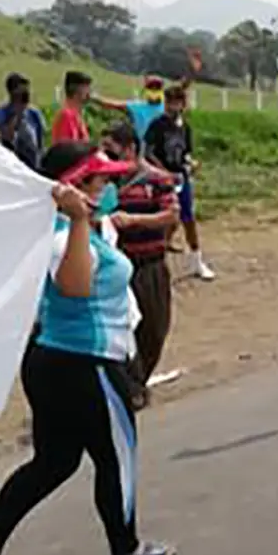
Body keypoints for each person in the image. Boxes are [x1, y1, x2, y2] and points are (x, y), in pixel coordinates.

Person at [0, 142, 175, 555]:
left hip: (57, 362)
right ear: (76, 188)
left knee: (55, 462)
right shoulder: (64, 236)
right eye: (103, 180)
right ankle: (126, 546)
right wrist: (79, 218)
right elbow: (75, 288)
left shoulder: (81, 230)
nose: (113, 186)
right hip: (85, 365)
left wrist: (94, 219)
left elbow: (110, 236)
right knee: (115, 457)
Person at [102, 121, 180, 406]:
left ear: (131, 149)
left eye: (113, 153)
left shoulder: (157, 180)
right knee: (122, 329)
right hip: (117, 266)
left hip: (149, 265)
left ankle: (137, 380)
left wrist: (135, 220)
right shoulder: (106, 184)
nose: (108, 161)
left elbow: (171, 215)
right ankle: (129, 387)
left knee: (153, 326)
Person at [144, 86, 214, 281]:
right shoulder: (157, 125)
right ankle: (157, 263)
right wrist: (163, 172)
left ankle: (196, 261)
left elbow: (185, 153)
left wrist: (191, 163)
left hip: (181, 177)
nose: (172, 106)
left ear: (183, 104)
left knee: (188, 219)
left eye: (176, 102)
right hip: (162, 179)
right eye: (169, 102)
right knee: (166, 220)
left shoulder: (185, 127)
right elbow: (148, 153)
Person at [94, 75, 186, 145]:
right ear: (146, 90)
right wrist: (93, 98)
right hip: (142, 147)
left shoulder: (167, 106)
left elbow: (180, 91)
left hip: (163, 148)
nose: (154, 90)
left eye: (157, 88)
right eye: (151, 88)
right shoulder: (137, 106)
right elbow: (112, 104)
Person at [0, 73, 45, 170]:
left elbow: (39, 141)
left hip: (33, 163)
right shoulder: (1, 112)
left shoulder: (34, 113)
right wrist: (17, 114)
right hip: (11, 165)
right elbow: (6, 137)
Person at [51, 70, 93, 144]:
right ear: (77, 92)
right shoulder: (67, 115)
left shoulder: (76, 115)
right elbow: (67, 148)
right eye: (86, 88)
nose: (89, 92)